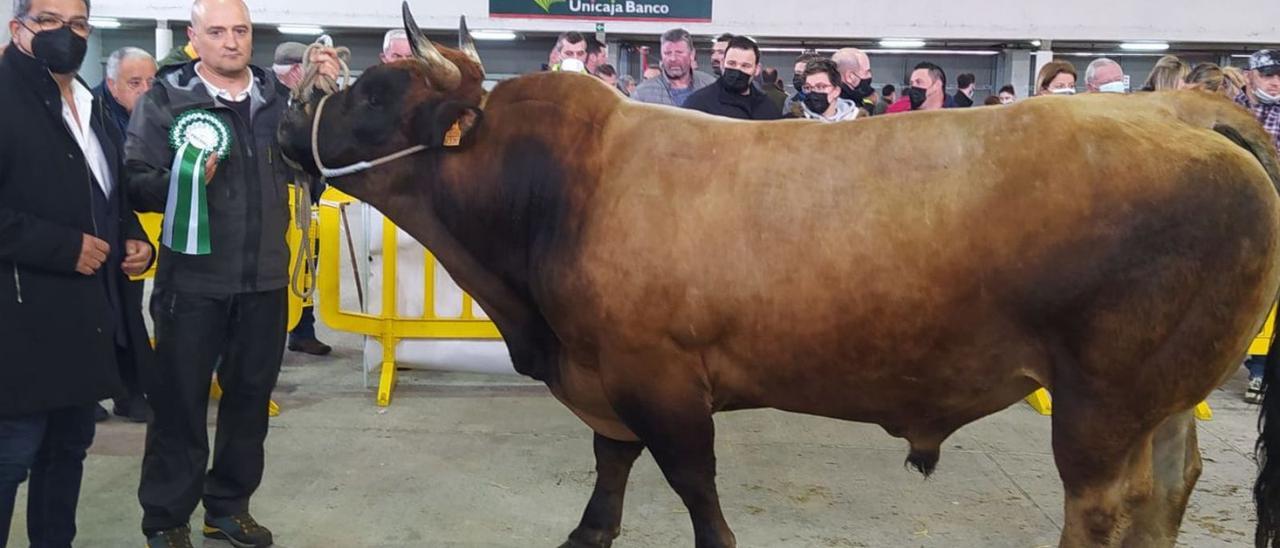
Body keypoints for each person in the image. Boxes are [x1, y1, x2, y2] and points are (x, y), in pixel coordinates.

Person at [124, 0, 339, 546]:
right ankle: (167, 518)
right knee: (180, 406)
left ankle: (228, 507)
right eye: (216, 31)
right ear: (195, 37)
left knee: (249, 403)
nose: (230, 41)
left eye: (239, 30)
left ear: (251, 36)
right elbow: (136, 178)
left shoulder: (280, 101)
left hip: (265, 284)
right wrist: (181, 178)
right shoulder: (166, 100)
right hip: (191, 287)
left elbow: (309, 174)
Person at [2, 0, 156, 544]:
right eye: (48, 20)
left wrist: (133, 235)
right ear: (18, 27)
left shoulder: (87, 103)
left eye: (78, 24)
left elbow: (102, 193)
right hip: (18, 319)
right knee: (10, 458)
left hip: (84, 317)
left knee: (65, 453)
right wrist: (62, 246)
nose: (65, 34)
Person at [94, 45, 160, 423]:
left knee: (128, 313)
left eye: (151, 81)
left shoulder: (161, 116)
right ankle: (85, 395)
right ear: (112, 85)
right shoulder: (92, 116)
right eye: (134, 83)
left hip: (128, 229)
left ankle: (132, 392)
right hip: (88, 231)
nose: (145, 90)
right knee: (92, 317)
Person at [1241, 49, 1280, 403]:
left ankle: (1259, 368)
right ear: (1251, 75)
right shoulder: (1232, 110)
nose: (1276, 80)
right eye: (1269, 74)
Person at [682, 35, 781, 120]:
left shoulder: (767, 107)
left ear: (757, 69)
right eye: (732, 63)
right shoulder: (698, 105)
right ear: (722, 64)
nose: (737, 70)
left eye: (745, 66)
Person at [632, 28, 716, 107]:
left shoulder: (710, 86)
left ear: (692, 54)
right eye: (667, 53)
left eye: (679, 52)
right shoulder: (642, 93)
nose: (673, 59)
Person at [792, 59, 860, 122]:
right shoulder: (792, 123)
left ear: (836, 91)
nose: (812, 92)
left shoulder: (856, 123)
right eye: (807, 87)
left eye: (820, 87)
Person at [888, 61, 955, 113]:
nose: (913, 87)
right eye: (911, 83)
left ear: (937, 85)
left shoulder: (957, 116)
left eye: (919, 82)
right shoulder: (896, 111)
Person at [831, 47, 875, 115]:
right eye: (866, 72)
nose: (870, 76)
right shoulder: (844, 111)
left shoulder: (830, 102)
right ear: (850, 77)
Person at [782, 52, 823, 117]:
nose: (798, 77)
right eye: (797, 73)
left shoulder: (830, 100)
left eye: (802, 73)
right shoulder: (791, 101)